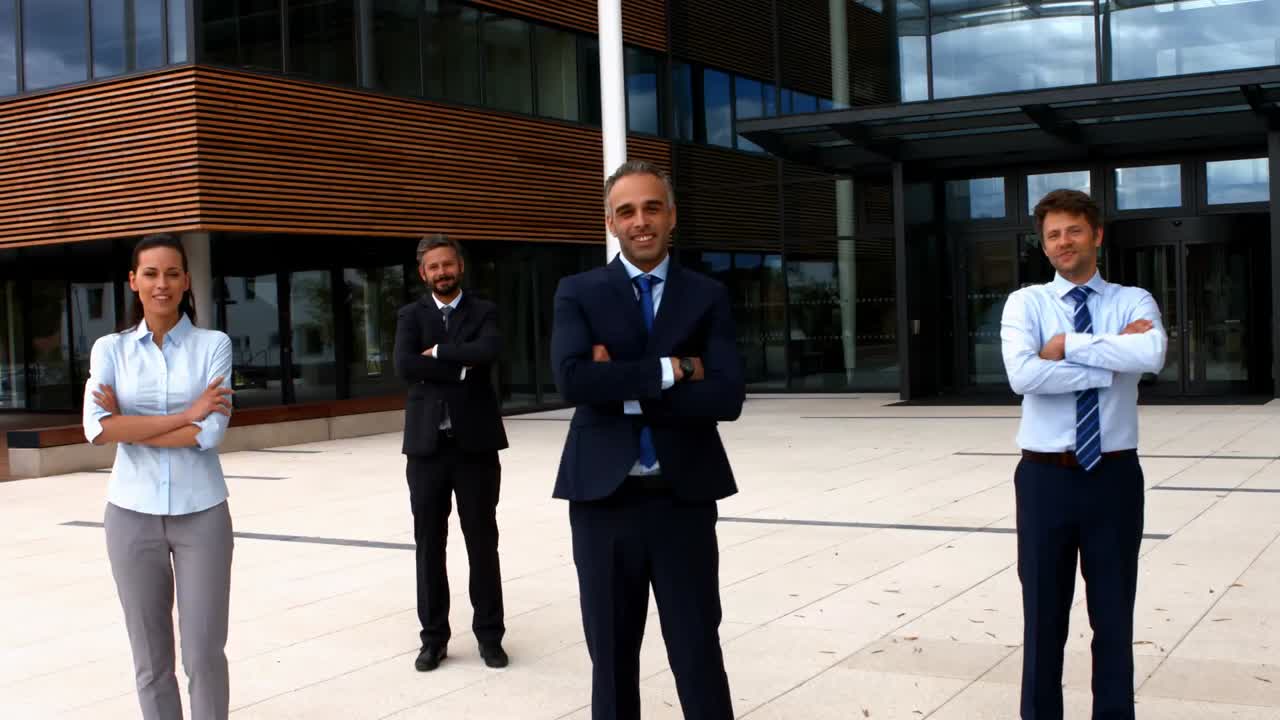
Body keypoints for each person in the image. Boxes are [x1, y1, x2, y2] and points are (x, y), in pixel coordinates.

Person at [550, 160, 745, 720]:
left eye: (652, 207)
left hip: (682, 499)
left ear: (672, 216)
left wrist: (620, 377)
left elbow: (727, 397)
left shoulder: (706, 295)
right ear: (610, 221)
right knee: (611, 660)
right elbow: (572, 381)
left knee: (698, 653)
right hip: (602, 502)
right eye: (627, 211)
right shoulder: (578, 291)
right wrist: (675, 368)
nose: (641, 221)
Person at [1000, 189, 1167, 720]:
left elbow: (1153, 352)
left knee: (1114, 620)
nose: (1063, 242)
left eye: (1073, 230)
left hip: (1114, 478)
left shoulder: (1133, 300)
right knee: (1042, 619)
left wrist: (1065, 346)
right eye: (1053, 235)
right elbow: (1023, 375)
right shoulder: (1025, 303)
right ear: (1043, 245)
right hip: (1044, 480)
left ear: (1096, 234)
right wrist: (1112, 357)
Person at [81, 233, 236, 720]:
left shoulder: (215, 345)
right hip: (130, 515)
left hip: (203, 514)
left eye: (172, 273)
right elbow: (98, 428)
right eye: (150, 273)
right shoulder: (110, 349)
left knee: (204, 655)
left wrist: (132, 423)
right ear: (133, 281)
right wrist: (185, 414)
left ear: (187, 281)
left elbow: (208, 434)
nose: (161, 284)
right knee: (150, 660)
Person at [394, 233, 509, 671]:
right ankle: (434, 638)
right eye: (433, 267)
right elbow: (405, 366)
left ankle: (490, 636)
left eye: (448, 265)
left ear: (460, 267)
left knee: (483, 542)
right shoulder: (410, 315)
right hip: (426, 449)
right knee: (429, 545)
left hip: (475, 446)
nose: (442, 272)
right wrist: (463, 367)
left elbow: (491, 350)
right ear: (423, 274)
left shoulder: (485, 311)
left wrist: (441, 352)